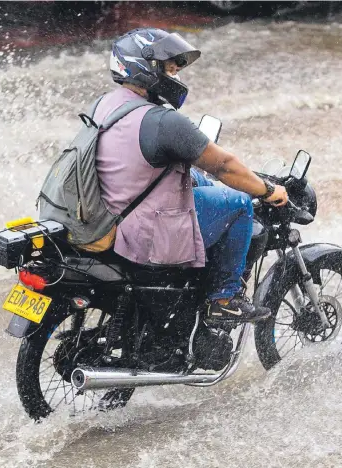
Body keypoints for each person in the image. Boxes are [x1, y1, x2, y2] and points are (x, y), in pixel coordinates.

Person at [94, 28, 288, 323]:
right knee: (238, 203)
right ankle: (224, 298)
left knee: (202, 185)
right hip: (143, 231)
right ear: (146, 66)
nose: (174, 75)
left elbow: (137, 164)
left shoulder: (105, 106)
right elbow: (224, 166)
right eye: (169, 67)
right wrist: (267, 190)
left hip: (110, 216)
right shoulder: (162, 121)